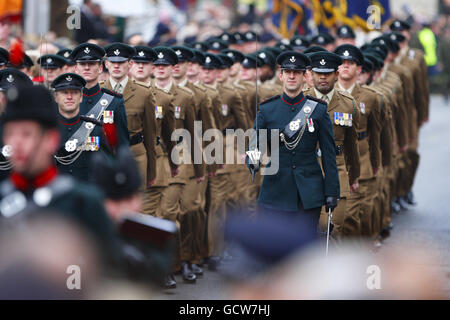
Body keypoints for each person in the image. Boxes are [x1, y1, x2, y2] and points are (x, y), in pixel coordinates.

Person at [0, 84, 118, 263]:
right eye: (10, 134)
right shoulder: (3, 198)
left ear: (51, 139)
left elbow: (110, 272)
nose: (16, 143)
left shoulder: (83, 203)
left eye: (26, 134)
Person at [248, 50, 340, 235]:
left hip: (308, 192)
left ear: (305, 76)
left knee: (304, 252)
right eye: (287, 72)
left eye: (297, 72)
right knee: (273, 248)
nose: (292, 76)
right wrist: (252, 160)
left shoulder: (318, 110)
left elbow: (329, 155)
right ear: (280, 76)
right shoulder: (268, 109)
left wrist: (332, 191)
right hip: (275, 190)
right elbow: (255, 143)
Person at [303, 51, 360, 239]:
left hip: (337, 173)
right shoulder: (300, 102)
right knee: (309, 231)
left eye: (327, 73)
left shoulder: (348, 104)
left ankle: (330, 268)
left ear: (336, 74)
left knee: (332, 230)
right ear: (310, 74)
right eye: (318, 73)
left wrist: (354, 176)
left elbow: (352, 146)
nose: (323, 78)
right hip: (307, 174)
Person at [333, 44, 382, 241]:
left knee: (353, 214)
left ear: (359, 69)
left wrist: (376, 163)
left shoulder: (370, 97)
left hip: (360, 158)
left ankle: (354, 253)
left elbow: (376, 133)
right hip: (332, 157)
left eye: (350, 63)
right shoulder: (325, 95)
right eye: (341, 63)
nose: (345, 66)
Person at [101, 42, 157, 189]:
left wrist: (151, 171)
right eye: (113, 62)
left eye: (121, 62)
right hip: (105, 156)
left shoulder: (144, 93)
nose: (117, 66)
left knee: (137, 206)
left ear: (130, 64)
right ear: (106, 64)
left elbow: (150, 135)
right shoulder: (97, 91)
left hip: (135, 155)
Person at [52, 72, 116, 182]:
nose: (69, 97)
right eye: (64, 93)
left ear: (81, 97)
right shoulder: (47, 130)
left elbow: (108, 164)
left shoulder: (95, 128)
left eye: (75, 92)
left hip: (87, 193)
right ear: (56, 97)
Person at [70, 42, 129, 148]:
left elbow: (122, 144)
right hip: (71, 162)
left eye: (92, 63)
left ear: (101, 68)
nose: (87, 68)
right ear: (75, 68)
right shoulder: (65, 100)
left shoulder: (114, 101)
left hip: (103, 162)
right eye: (82, 64)